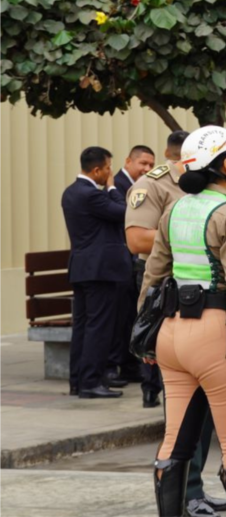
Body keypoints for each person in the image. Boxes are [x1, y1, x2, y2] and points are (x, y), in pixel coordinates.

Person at [141, 126, 226, 517]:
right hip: (217, 336)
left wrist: (144, 336)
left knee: (173, 443)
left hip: (171, 336)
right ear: (225, 165)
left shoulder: (174, 209)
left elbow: (153, 276)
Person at [127, 130, 226, 517]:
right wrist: (194, 230)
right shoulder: (152, 185)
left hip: (207, 302)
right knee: (182, 412)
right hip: (170, 300)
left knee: (203, 412)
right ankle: (184, 493)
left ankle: (195, 487)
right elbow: (137, 240)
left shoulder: (209, 188)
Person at [61, 147, 133, 399]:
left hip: (82, 267)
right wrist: (113, 189)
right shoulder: (92, 195)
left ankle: (78, 381)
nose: (109, 173)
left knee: (82, 326)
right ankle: (91, 382)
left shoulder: (71, 192)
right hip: (100, 270)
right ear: (96, 170)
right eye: (107, 168)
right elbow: (125, 211)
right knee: (98, 327)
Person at [107, 145, 156, 388]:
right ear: (128, 161)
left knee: (129, 316)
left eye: (151, 164)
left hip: (130, 264)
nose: (147, 169)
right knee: (124, 318)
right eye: (142, 164)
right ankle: (121, 364)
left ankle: (130, 365)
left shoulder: (144, 184)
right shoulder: (118, 186)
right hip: (123, 262)